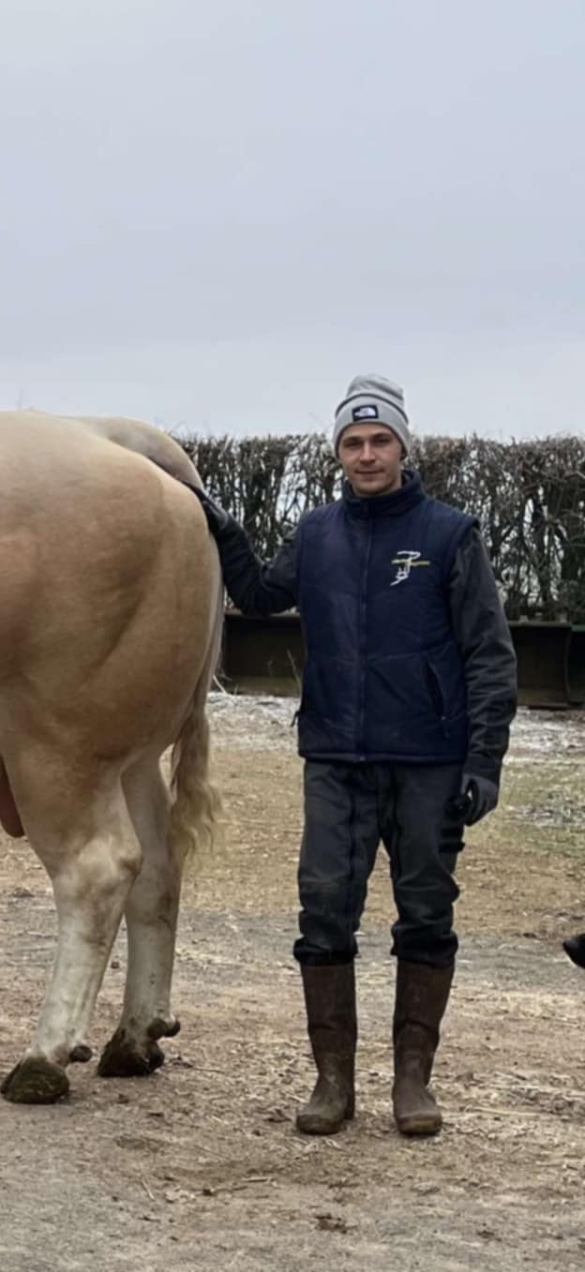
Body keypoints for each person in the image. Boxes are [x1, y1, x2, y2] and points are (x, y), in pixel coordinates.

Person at [192, 374, 517, 1138]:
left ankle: (413, 1082)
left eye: (379, 441)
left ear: (405, 445)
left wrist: (484, 761)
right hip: (335, 756)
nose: (366, 455)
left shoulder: (449, 535)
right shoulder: (317, 535)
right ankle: (332, 1082)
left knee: (427, 913)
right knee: (324, 912)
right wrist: (221, 530)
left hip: (430, 761)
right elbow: (264, 595)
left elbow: (490, 656)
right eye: (352, 443)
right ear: (337, 453)